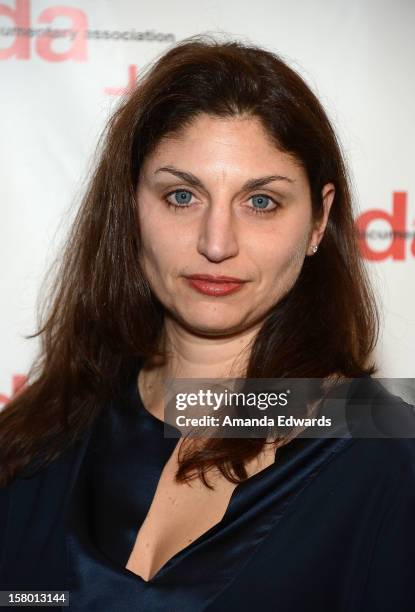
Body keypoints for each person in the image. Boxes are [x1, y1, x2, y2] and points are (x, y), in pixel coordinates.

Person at [1, 35, 415, 612]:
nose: (216, 244)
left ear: (319, 221)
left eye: (261, 202)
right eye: (181, 196)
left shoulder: (390, 462)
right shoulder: (43, 435)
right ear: (130, 206)